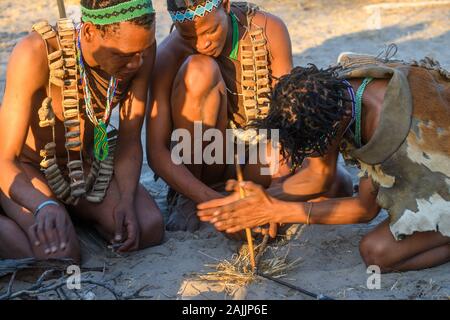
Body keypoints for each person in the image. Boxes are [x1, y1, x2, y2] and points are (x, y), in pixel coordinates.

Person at [198, 51, 450, 272]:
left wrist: (276, 210)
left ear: (333, 129)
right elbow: (318, 176)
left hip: (437, 158)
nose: (313, 155)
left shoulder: (387, 133)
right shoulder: (333, 93)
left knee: (377, 253)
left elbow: (364, 209)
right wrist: (254, 204)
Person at [147, 0, 352, 232]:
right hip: (208, 162)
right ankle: (192, 198)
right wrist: (209, 201)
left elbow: (286, 122)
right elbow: (156, 152)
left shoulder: (269, 30)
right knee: (199, 70)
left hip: (261, 157)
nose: (202, 43)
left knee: (338, 185)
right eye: (189, 37)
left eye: (211, 31)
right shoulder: (168, 55)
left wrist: (274, 197)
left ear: (224, 5)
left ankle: (242, 196)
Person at [0, 0, 164, 263]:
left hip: (83, 167)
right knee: (60, 255)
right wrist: (43, 205)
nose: (136, 63)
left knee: (147, 227)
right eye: (124, 55)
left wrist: (126, 197)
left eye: (143, 52)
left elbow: (130, 140)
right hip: (28, 170)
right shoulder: (35, 52)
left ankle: (71, 217)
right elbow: (5, 160)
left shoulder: (138, 48)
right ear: (89, 32)